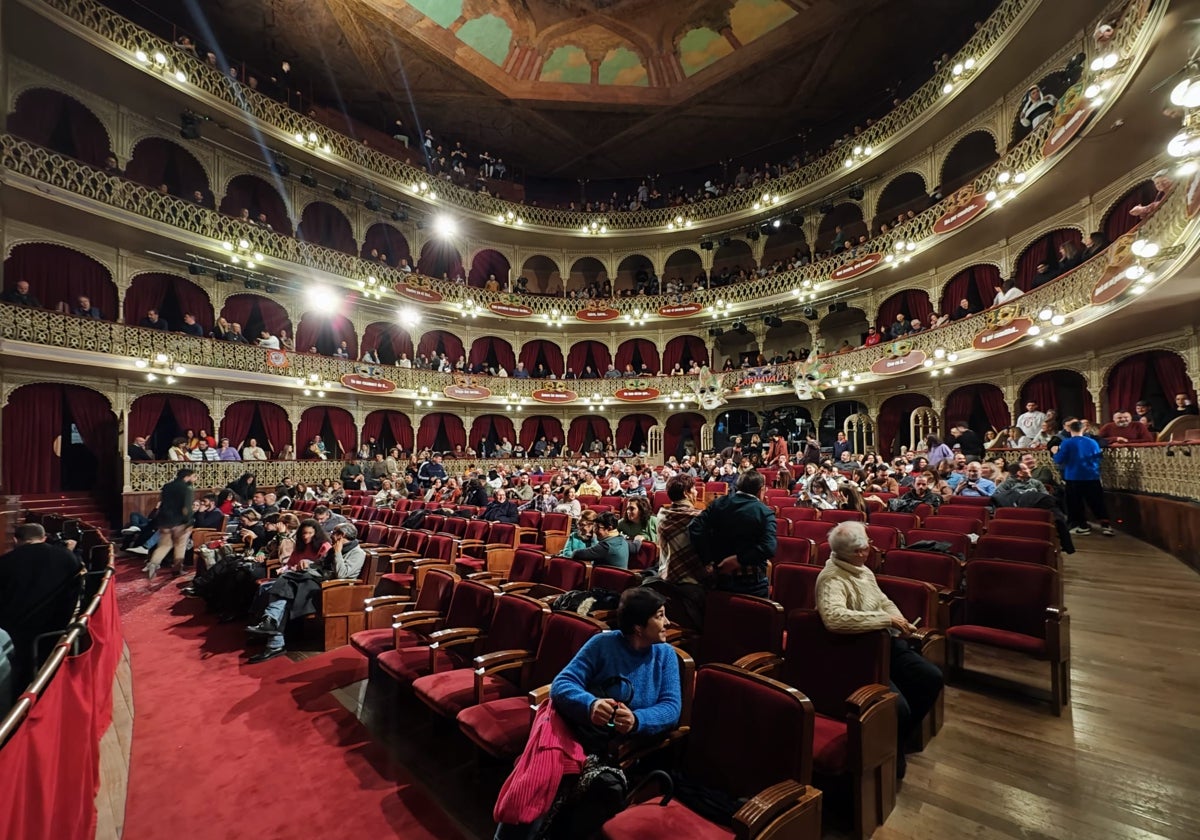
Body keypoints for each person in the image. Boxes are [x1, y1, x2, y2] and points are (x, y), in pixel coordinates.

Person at [495, 588, 681, 839]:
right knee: (536, 785)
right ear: (638, 627)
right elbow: (562, 684)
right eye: (660, 616)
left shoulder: (665, 655)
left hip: (616, 748)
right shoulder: (603, 643)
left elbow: (671, 708)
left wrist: (638, 720)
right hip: (575, 733)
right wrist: (591, 704)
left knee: (589, 797)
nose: (667, 623)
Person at [816, 521, 943, 780]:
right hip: (856, 652)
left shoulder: (862, 570)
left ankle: (896, 740)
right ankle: (888, 755)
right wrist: (886, 621)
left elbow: (883, 601)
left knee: (930, 678)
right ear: (856, 552)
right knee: (899, 709)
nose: (870, 550)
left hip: (884, 642)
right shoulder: (832, 578)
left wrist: (899, 621)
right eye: (865, 547)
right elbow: (834, 618)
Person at [245, 523, 364, 663]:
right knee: (276, 590)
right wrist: (306, 563)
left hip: (332, 590)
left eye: (334, 532)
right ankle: (271, 633)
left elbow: (342, 575)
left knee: (283, 584)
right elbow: (319, 564)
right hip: (314, 581)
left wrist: (337, 553)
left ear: (341, 535)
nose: (331, 534)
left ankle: (272, 632)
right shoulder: (334, 548)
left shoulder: (357, 553)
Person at [0, 523, 84, 693]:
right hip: (57, 630)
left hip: (15, 636)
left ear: (16, 539)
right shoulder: (67, 557)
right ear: (44, 537)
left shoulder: (5, 563)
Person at [687, 469, 775, 597]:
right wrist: (739, 559)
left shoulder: (719, 503)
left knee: (722, 616)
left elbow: (695, 527)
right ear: (761, 490)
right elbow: (769, 548)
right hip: (751, 581)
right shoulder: (764, 512)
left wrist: (707, 560)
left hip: (720, 575)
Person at [1053, 419, 1113, 536]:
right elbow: (1098, 457)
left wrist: (1056, 452)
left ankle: (1081, 526)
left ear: (1070, 429)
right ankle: (1106, 525)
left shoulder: (1067, 443)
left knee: (1075, 503)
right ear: (1083, 429)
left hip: (1074, 477)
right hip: (1092, 476)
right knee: (1097, 501)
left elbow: (1059, 460)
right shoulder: (1092, 442)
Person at [145, 467, 196, 581]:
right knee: (180, 546)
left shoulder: (167, 486)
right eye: (193, 477)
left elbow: (163, 504)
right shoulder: (187, 488)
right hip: (179, 522)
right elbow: (187, 507)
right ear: (186, 477)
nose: (194, 479)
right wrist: (188, 522)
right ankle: (177, 570)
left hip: (164, 521)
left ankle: (153, 564)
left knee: (164, 545)